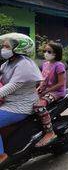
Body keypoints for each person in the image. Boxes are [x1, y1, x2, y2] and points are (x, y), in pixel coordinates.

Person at [0, 33, 42, 164]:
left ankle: (1, 156)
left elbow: (12, 86)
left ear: (19, 48)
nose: (3, 49)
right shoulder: (7, 64)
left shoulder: (24, 64)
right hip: (9, 102)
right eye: (3, 46)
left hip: (21, 105)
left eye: (6, 46)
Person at [35, 42, 66, 147]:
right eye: (45, 51)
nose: (46, 53)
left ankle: (49, 132)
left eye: (49, 51)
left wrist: (45, 92)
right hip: (45, 90)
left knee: (39, 106)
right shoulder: (45, 64)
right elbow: (43, 81)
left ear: (56, 53)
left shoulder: (59, 65)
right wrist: (39, 89)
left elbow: (61, 83)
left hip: (57, 92)